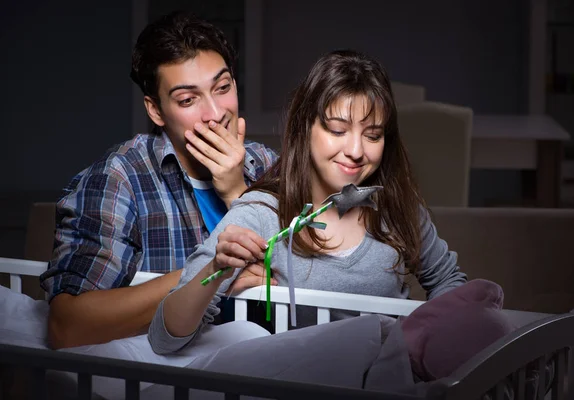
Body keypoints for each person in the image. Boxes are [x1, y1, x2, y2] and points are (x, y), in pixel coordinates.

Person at [147, 49, 467, 355]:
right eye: (337, 130)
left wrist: (425, 344)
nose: (356, 150)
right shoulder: (262, 213)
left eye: (372, 135)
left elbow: (449, 280)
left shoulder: (398, 208)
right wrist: (216, 268)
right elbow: (165, 338)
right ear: (305, 127)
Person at [39, 10, 278, 350]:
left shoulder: (266, 163)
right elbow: (67, 327)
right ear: (155, 110)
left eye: (223, 87)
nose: (215, 112)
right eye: (187, 99)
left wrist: (236, 191)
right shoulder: (122, 177)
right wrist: (209, 272)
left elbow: (306, 276)